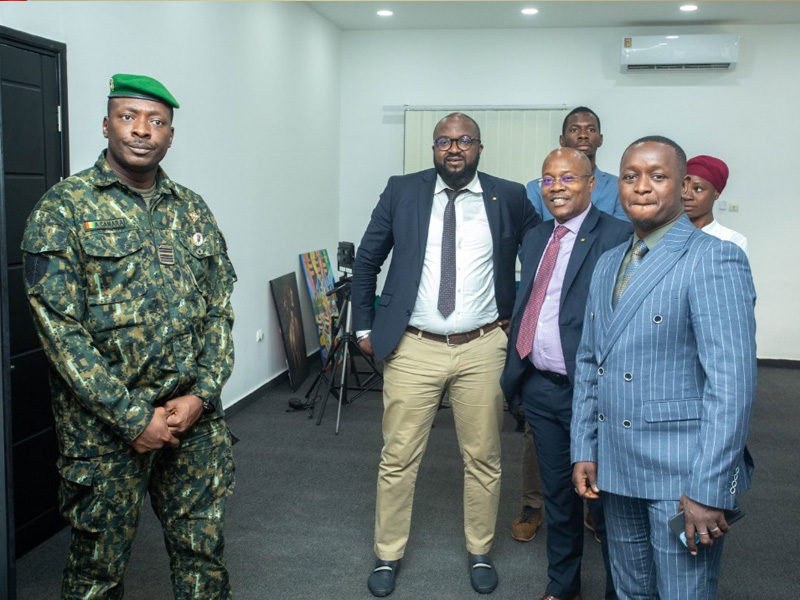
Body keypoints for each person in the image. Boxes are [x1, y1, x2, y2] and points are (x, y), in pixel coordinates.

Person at [21, 74, 237, 599]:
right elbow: (60, 334)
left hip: (193, 424)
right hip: (104, 434)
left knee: (203, 559)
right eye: (129, 117)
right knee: (97, 573)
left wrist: (202, 394)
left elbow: (219, 312)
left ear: (170, 135)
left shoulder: (192, 209)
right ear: (106, 125)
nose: (142, 131)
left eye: (156, 121)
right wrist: (132, 417)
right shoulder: (64, 209)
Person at [352, 112, 540, 597]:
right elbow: (368, 259)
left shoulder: (510, 196)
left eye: (463, 141)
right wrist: (364, 327)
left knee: (484, 456)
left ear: (480, 147)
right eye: (443, 141)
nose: (453, 149)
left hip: (482, 348)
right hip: (414, 346)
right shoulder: (402, 190)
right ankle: (387, 553)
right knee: (397, 457)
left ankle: (479, 548)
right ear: (433, 148)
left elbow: (542, 255)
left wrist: (518, 318)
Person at [571, 136, 756, 600]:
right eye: (631, 176)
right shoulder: (609, 262)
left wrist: (709, 489)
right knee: (630, 591)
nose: (642, 187)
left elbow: (730, 386)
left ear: (682, 185)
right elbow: (591, 361)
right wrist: (584, 448)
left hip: (681, 474)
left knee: (682, 593)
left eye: (658, 176)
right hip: (616, 463)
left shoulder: (713, 258)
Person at [501, 148, 631, 600]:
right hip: (541, 387)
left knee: (609, 504)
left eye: (568, 178)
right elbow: (530, 304)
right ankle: (563, 586)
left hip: (593, 394)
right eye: (548, 179)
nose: (556, 187)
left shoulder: (619, 235)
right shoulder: (536, 236)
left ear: (592, 183)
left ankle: (622, 591)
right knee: (557, 498)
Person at [526, 107, 627, 222]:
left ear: (600, 139)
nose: (583, 135)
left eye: (591, 130)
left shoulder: (618, 186)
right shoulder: (536, 188)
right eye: (574, 130)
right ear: (562, 140)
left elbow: (623, 233)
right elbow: (534, 235)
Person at [682, 154, 749, 255]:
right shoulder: (664, 235)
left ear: (716, 193)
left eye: (698, 189)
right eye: (683, 187)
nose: (687, 196)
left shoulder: (732, 241)